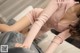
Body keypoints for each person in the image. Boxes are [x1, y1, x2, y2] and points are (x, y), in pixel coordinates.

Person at [0, 0, 80, 53]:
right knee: (10, 30)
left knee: (18, 43)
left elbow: (58, 39)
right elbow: (41, 20)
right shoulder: (62, 1)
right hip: (35, 16)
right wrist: (27, 44)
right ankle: (21, 29)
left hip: (43, 28)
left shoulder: (77, 24)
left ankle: (2, 49)